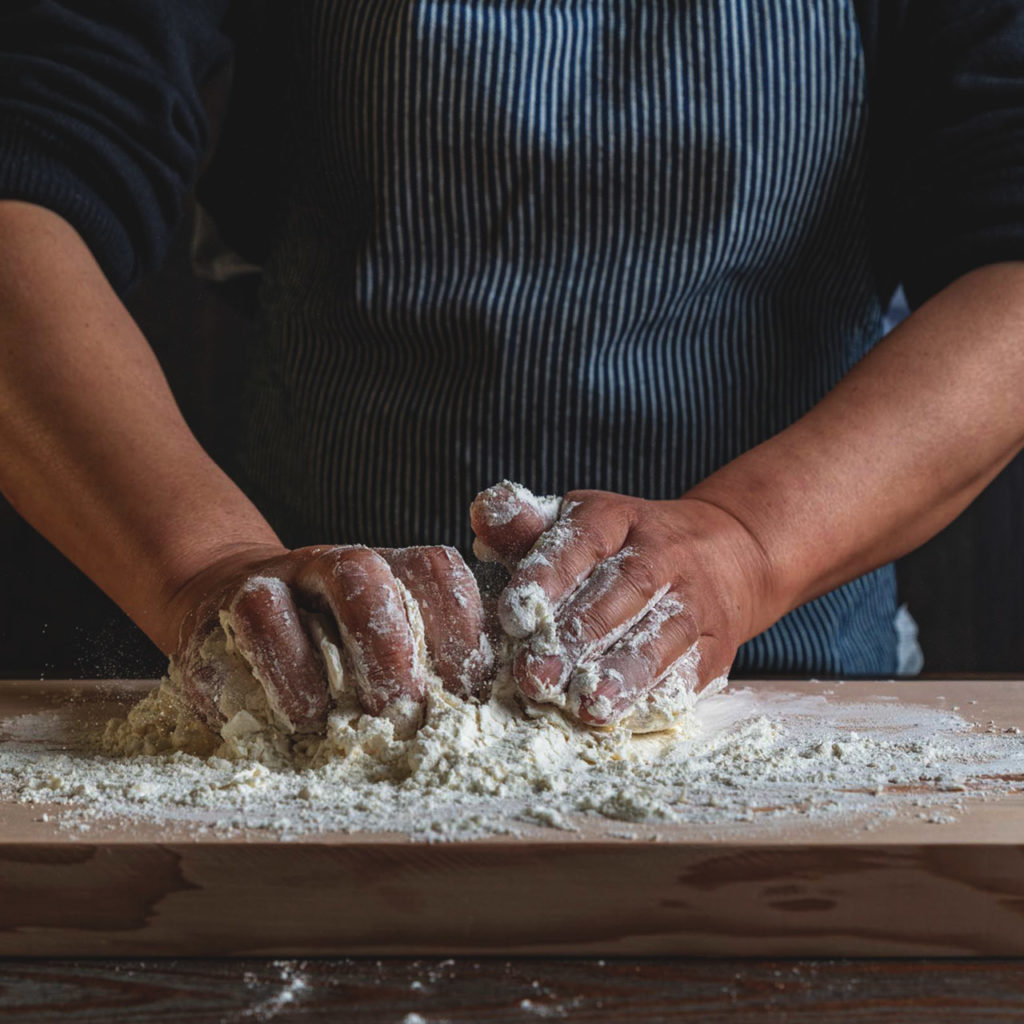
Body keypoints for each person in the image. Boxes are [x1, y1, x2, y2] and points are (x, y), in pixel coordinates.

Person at [2, 1, 1024, 734]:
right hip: (316, 700)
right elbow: (25, 180)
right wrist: (205, 570)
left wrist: (750, 542)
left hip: (795, 699)